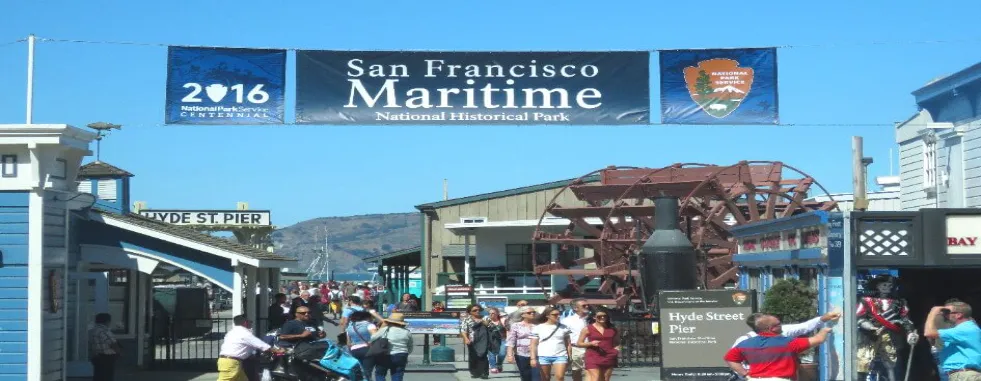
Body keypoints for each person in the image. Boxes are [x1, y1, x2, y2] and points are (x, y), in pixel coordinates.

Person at [728, 310, 841, 380]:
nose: (781, 325)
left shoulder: (745, 342)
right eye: (777, 324)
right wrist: (826, 330)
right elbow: (818, 339)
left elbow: (804, 326)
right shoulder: (787, 341)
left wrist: (823, 318)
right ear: (769, 327)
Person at [856, 274, 918, 380]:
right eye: (884, 285)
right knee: (863, 362)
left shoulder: (900, 302)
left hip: (891, 336)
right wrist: (870, 327)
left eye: (890, 285)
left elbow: (905, 319)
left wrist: (910, 333)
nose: (887, 288)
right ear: (877, 286)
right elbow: (859, 317)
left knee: (892, 364)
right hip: (871, 336)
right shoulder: (866, 300)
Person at [924, 300, 981, 380]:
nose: (944, 315)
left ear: (959, 315)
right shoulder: (965, 328)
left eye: (947, 312)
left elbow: (928, 332)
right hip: (962, 375)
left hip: (964, 375)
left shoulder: (964, 329)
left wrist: (932, 313)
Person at [218, 314, 283, 381]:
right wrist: (278, 350)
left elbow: (242, 348)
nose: (251, 322)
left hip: (231, 362)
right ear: (245, 323)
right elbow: (261, 345)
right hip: (231, 363)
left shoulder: (232, 332)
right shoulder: (244, 333)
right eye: (250, 321)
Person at [530, 307, 573, 381]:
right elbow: (533, 344)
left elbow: (568, 344)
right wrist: (533, 358)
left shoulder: (564, 328)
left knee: (560, 377)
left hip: (560, 355)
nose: (558, 316)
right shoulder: (538, 328)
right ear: (547, 315)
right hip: (543, 356)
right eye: (555, 314)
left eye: (559, 314)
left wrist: (569, 356)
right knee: (545, 378)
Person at [577, 308, 619, 381]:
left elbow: (617, 342)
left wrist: (617, 350)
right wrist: (590, 343)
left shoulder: (612, 329)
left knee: (605, 379)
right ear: (594, 317)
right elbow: (579, 343)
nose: (602, 317)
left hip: (609, 356)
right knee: (595, 378)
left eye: (604, 316)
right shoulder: (587, 328)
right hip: (593, 356)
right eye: (599, 316)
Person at [370, 313, 414, 381]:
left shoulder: (385, 329)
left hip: (385, 354)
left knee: (380, 373)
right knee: (397, 374)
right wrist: (406, 353)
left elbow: (373, 338)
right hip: (402, 354)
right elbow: (410, 346)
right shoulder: (407, 332)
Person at [506, 306, 539, 381]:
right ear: (522, 315)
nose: (532, 314)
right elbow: (511, 340)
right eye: (529, 312)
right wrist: (509, 355)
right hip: (521, 354)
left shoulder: (538, 326)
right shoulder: (516, 325)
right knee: (525, 376)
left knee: (537, 376)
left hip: (536, 353)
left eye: (534, 312)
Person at [561, 299, 591, 381]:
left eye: (587, 305)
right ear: (575, 308)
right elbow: (563, 337)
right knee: (576, 371)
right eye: (584, 306)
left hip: (591, 348)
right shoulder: (567, 321)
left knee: (590, 371)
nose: (587, 306)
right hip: (576, 348)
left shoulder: (593, 319)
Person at [461, 304, 492, 379]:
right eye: (474, 310)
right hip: (472, 340)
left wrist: (483, 322)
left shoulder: (485, 317)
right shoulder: (467, 319)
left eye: (478, 310)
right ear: (470, 312)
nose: (477, 311)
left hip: (483, 340)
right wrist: (466, 338)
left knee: (483, 355)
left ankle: (484, 373)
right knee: (473, 356)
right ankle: (475, 372)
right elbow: (463, 330)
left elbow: (489, 326)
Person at [347, 310, 379, 378]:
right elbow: (376, 336)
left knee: (358, 371)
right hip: (367, 349)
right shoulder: (369, 325)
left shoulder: (350, 327)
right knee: (367, 371)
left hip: (354, 350)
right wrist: (370, 342)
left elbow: (348, 343)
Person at [88, 313, 120, 381]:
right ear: (107, 321)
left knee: (98, 376)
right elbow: (113, 343)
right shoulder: (104, 331)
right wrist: (118, 353)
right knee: (107, 376)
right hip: (107, 357)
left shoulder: (92, 331)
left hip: (96, 356)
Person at [485, 307, 509, 374]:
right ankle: (493, 367)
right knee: (491, 353)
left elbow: (508, 330)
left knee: (502, 353)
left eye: (493, 313)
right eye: (490, 313)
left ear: (497, 314)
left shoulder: (503, 320)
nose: (491, 315)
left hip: (503, 339)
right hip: (491, 340)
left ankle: (499, 364)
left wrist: (509, 339)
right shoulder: (487, 320)